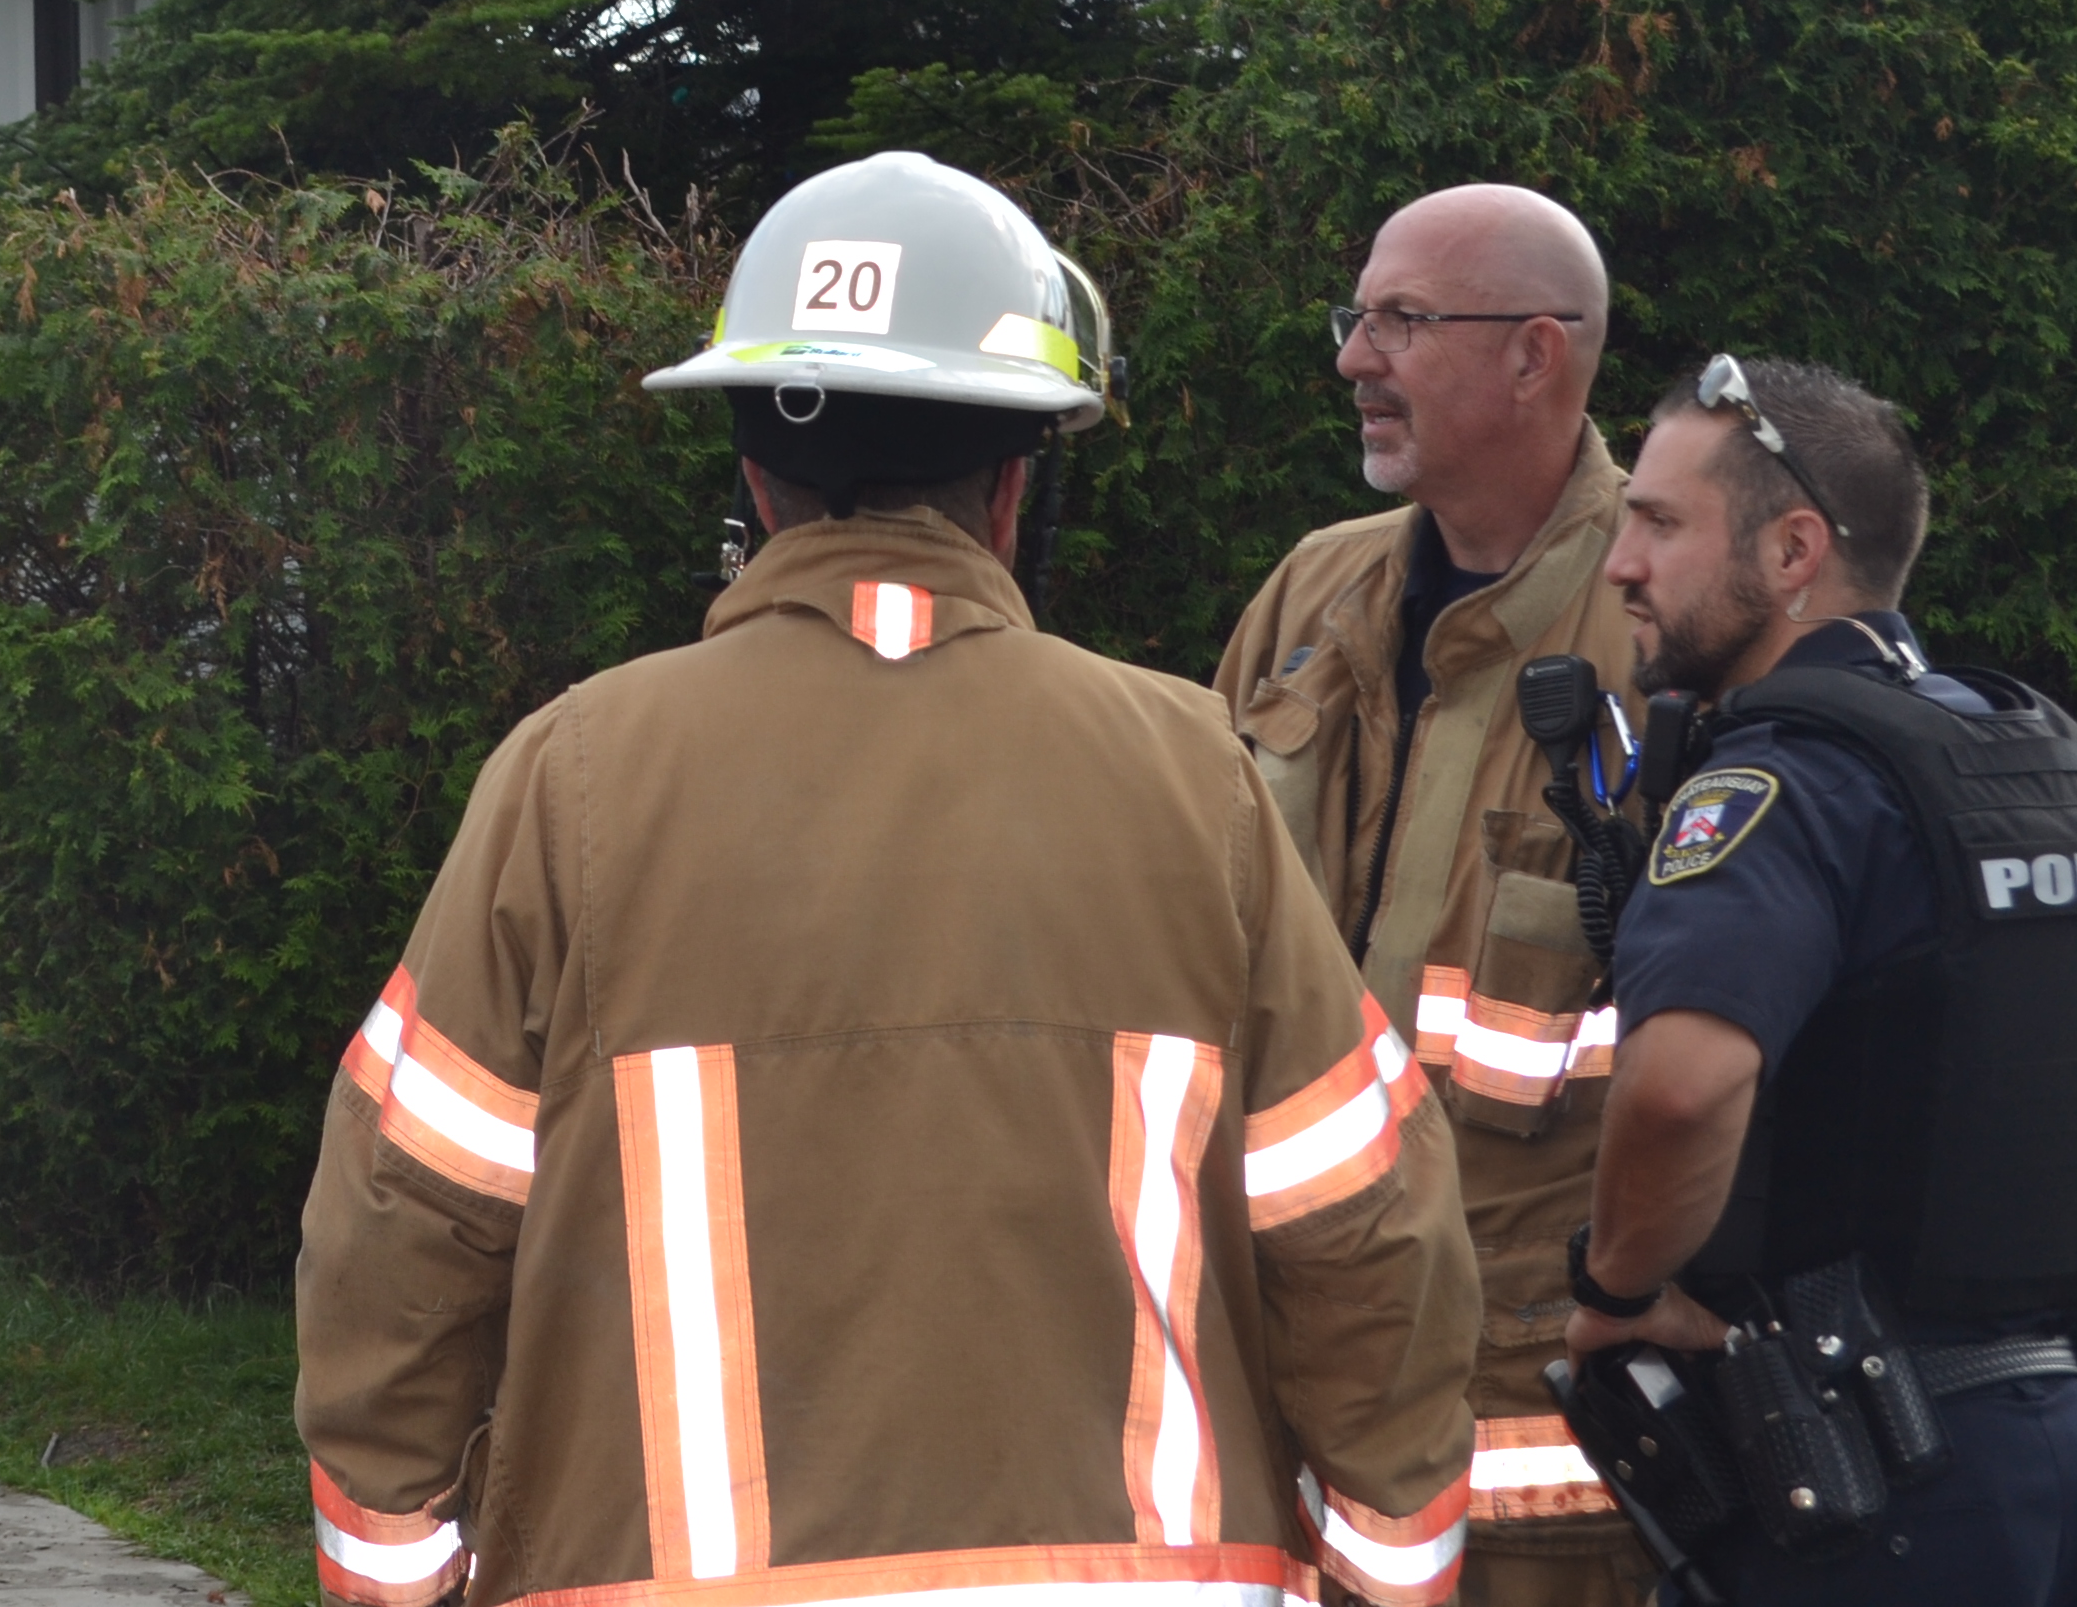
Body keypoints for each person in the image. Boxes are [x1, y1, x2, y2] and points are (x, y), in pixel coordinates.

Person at [298, 150, 1486, 1607]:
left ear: (754, 478)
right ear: (1015, 487)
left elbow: (397, 1238)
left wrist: (399, 1581)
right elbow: (1366, 1238)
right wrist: (1386, 1576)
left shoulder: (573, 776)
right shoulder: (1197, 775)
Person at [1565, 356, 2077, 1606]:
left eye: (1661, 523)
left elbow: (1684, 1083)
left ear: (1794, 551)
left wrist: (1617, 1288)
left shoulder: (1777, 785)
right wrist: (2002, 1290)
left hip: (1869, 1514)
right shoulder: (2023, 762)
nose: (1621, 564)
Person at [1209, 184, 1644, 1607]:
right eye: (1359, 317)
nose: (1354, 357)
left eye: (1401, 321)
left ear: (1534, 355)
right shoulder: (1311, 596)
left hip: (1528, 1426)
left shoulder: (1662, 627)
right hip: (1274, 1363)